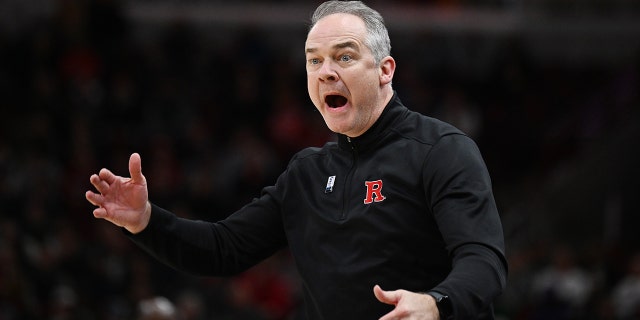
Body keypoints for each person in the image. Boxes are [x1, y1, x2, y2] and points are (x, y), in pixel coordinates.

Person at [85, 1, 508, 319]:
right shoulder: (306, 173)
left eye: (344, 57)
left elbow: (484, 263)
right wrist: (145, 221)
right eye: (313, 61)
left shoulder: (443, 150)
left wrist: (435, 304)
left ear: (385, 70)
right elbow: (222, 249)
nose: (325, 71)